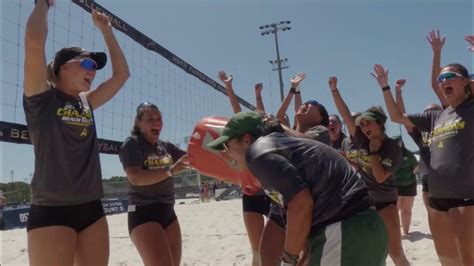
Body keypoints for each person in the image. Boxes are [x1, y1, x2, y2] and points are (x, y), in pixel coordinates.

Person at [23, 1, 129, 265]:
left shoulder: (86, 102)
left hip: (91, 207)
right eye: (88, 64)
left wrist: (107, 31)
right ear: (64, 67)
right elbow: (34, 42)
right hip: (51, 209)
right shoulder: (42, 97)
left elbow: (121, 75)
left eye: (95, 66)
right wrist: (43, 4)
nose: (93, 71)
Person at [207, 111, 388, 265]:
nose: (227, 153)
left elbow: (301, 204)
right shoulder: (282, 150)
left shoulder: (259, 152)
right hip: (362, 227)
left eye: (227, 145)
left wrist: (288, 259)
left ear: (246, 139)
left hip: (345, 230)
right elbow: (278, 221)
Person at [374, 63, 474, 265]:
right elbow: (396, 117)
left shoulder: (470, 108)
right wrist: (385, 87)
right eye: (441, 79)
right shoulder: (435, 116)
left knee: (469, 258)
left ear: (466, 81)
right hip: (437, 198)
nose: (444, 81)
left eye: (450, 76)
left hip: (467, 196)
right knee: (447, 258)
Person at [328, 76, 410, 266]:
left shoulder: (392, 147)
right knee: (366, 255)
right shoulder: (360, 141)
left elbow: (381, 177)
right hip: (362, 204)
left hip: (385, 203)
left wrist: (373, 153)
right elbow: (346, 116)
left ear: (380, 123)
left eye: (368, 123)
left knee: (396, 253)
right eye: (362, 124)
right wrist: (334, 90)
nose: (364, 127)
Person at [119, 103, 190, 266]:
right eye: (150, 119)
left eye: (159, 118)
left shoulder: (165, 147)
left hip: (168, 210)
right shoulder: (132, 143)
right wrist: (170, 171)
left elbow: (192, 159)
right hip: (143, 211)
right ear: (139, 123)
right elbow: (135, 178)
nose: (156, 122)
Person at [218, 71, 271, 266]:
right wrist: (229, 87)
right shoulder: (239, 146)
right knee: (256, 250)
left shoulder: (264, 148)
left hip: (270, 193)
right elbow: (238, 113)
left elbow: (260, 117)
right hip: (251, 195)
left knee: (275, 247)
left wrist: (258, 97)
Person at [393, 137, 418, 236]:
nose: (397, 145)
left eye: (399, 142)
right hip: (395, 185)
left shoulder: (408, 153)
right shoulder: (390, 155)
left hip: (409, 183)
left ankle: (406, 232)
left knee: (406, 209)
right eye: (395, 143)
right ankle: (395, 232)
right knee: (395, 209)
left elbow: (416, 165)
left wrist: (412, 173)